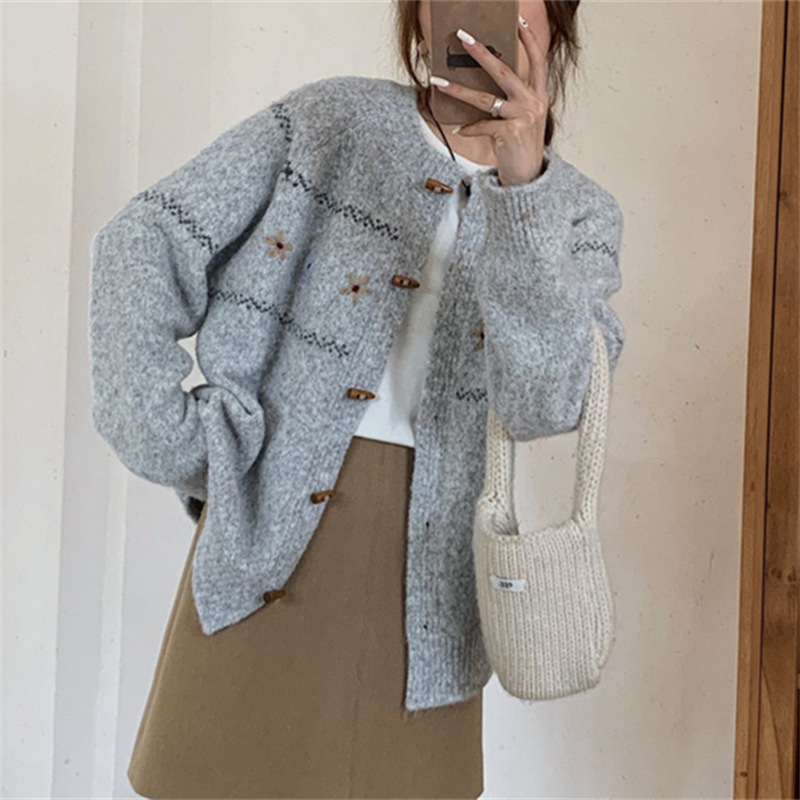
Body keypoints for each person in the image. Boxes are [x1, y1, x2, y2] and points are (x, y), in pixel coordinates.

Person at [89, 1, 624, 797]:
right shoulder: (329, 121)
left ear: (557, 26)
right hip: (267, 541)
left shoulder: (579, 215)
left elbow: (545, 403)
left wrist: (522, 189)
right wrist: (170, 438)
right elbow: (144, 241)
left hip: (437, 581)